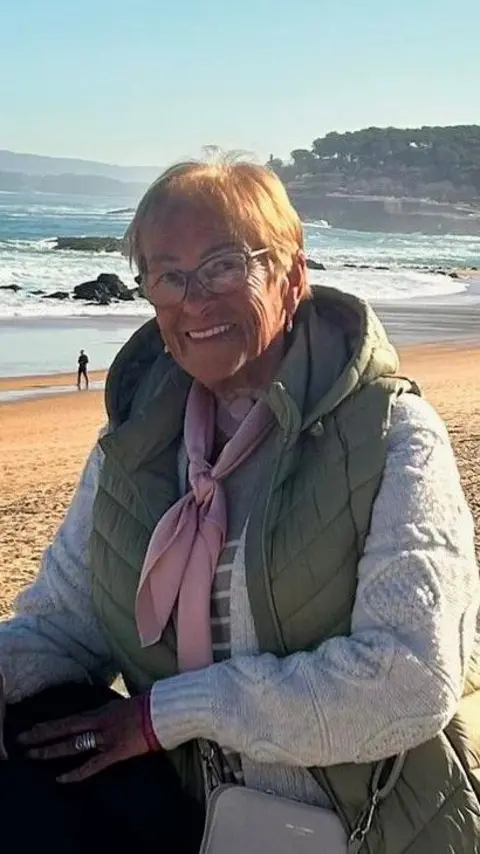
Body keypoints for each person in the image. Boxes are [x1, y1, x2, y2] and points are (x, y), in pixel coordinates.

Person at [0, 157, 479, 853]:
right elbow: (66, 626)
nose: (194, 300)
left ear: (292, 274)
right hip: (193, 813)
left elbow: (412, 675)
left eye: (224, 265)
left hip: (361, 830)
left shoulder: (390, 434)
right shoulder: (132, 445)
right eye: (167, 275)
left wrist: (168, 715)